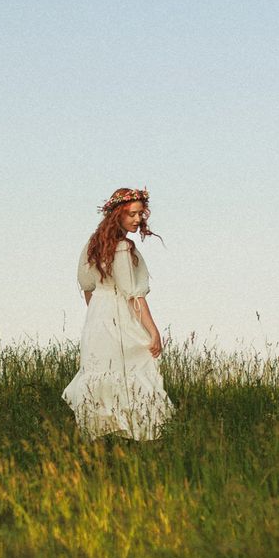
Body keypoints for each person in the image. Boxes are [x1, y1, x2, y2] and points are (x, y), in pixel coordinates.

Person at [61, 187, 175, 442]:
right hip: (118, 313)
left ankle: (101, 435)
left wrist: (97, 317)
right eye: (132, 214)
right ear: (117, 215)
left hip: (97, 316)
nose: (137, 220)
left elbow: (87, 286)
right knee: (133, 368)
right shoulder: (122, 247)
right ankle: (135, 435)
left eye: (140, 214)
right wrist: (153, 331)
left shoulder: (94, 243)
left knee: (102, 371)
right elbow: (133, 294)